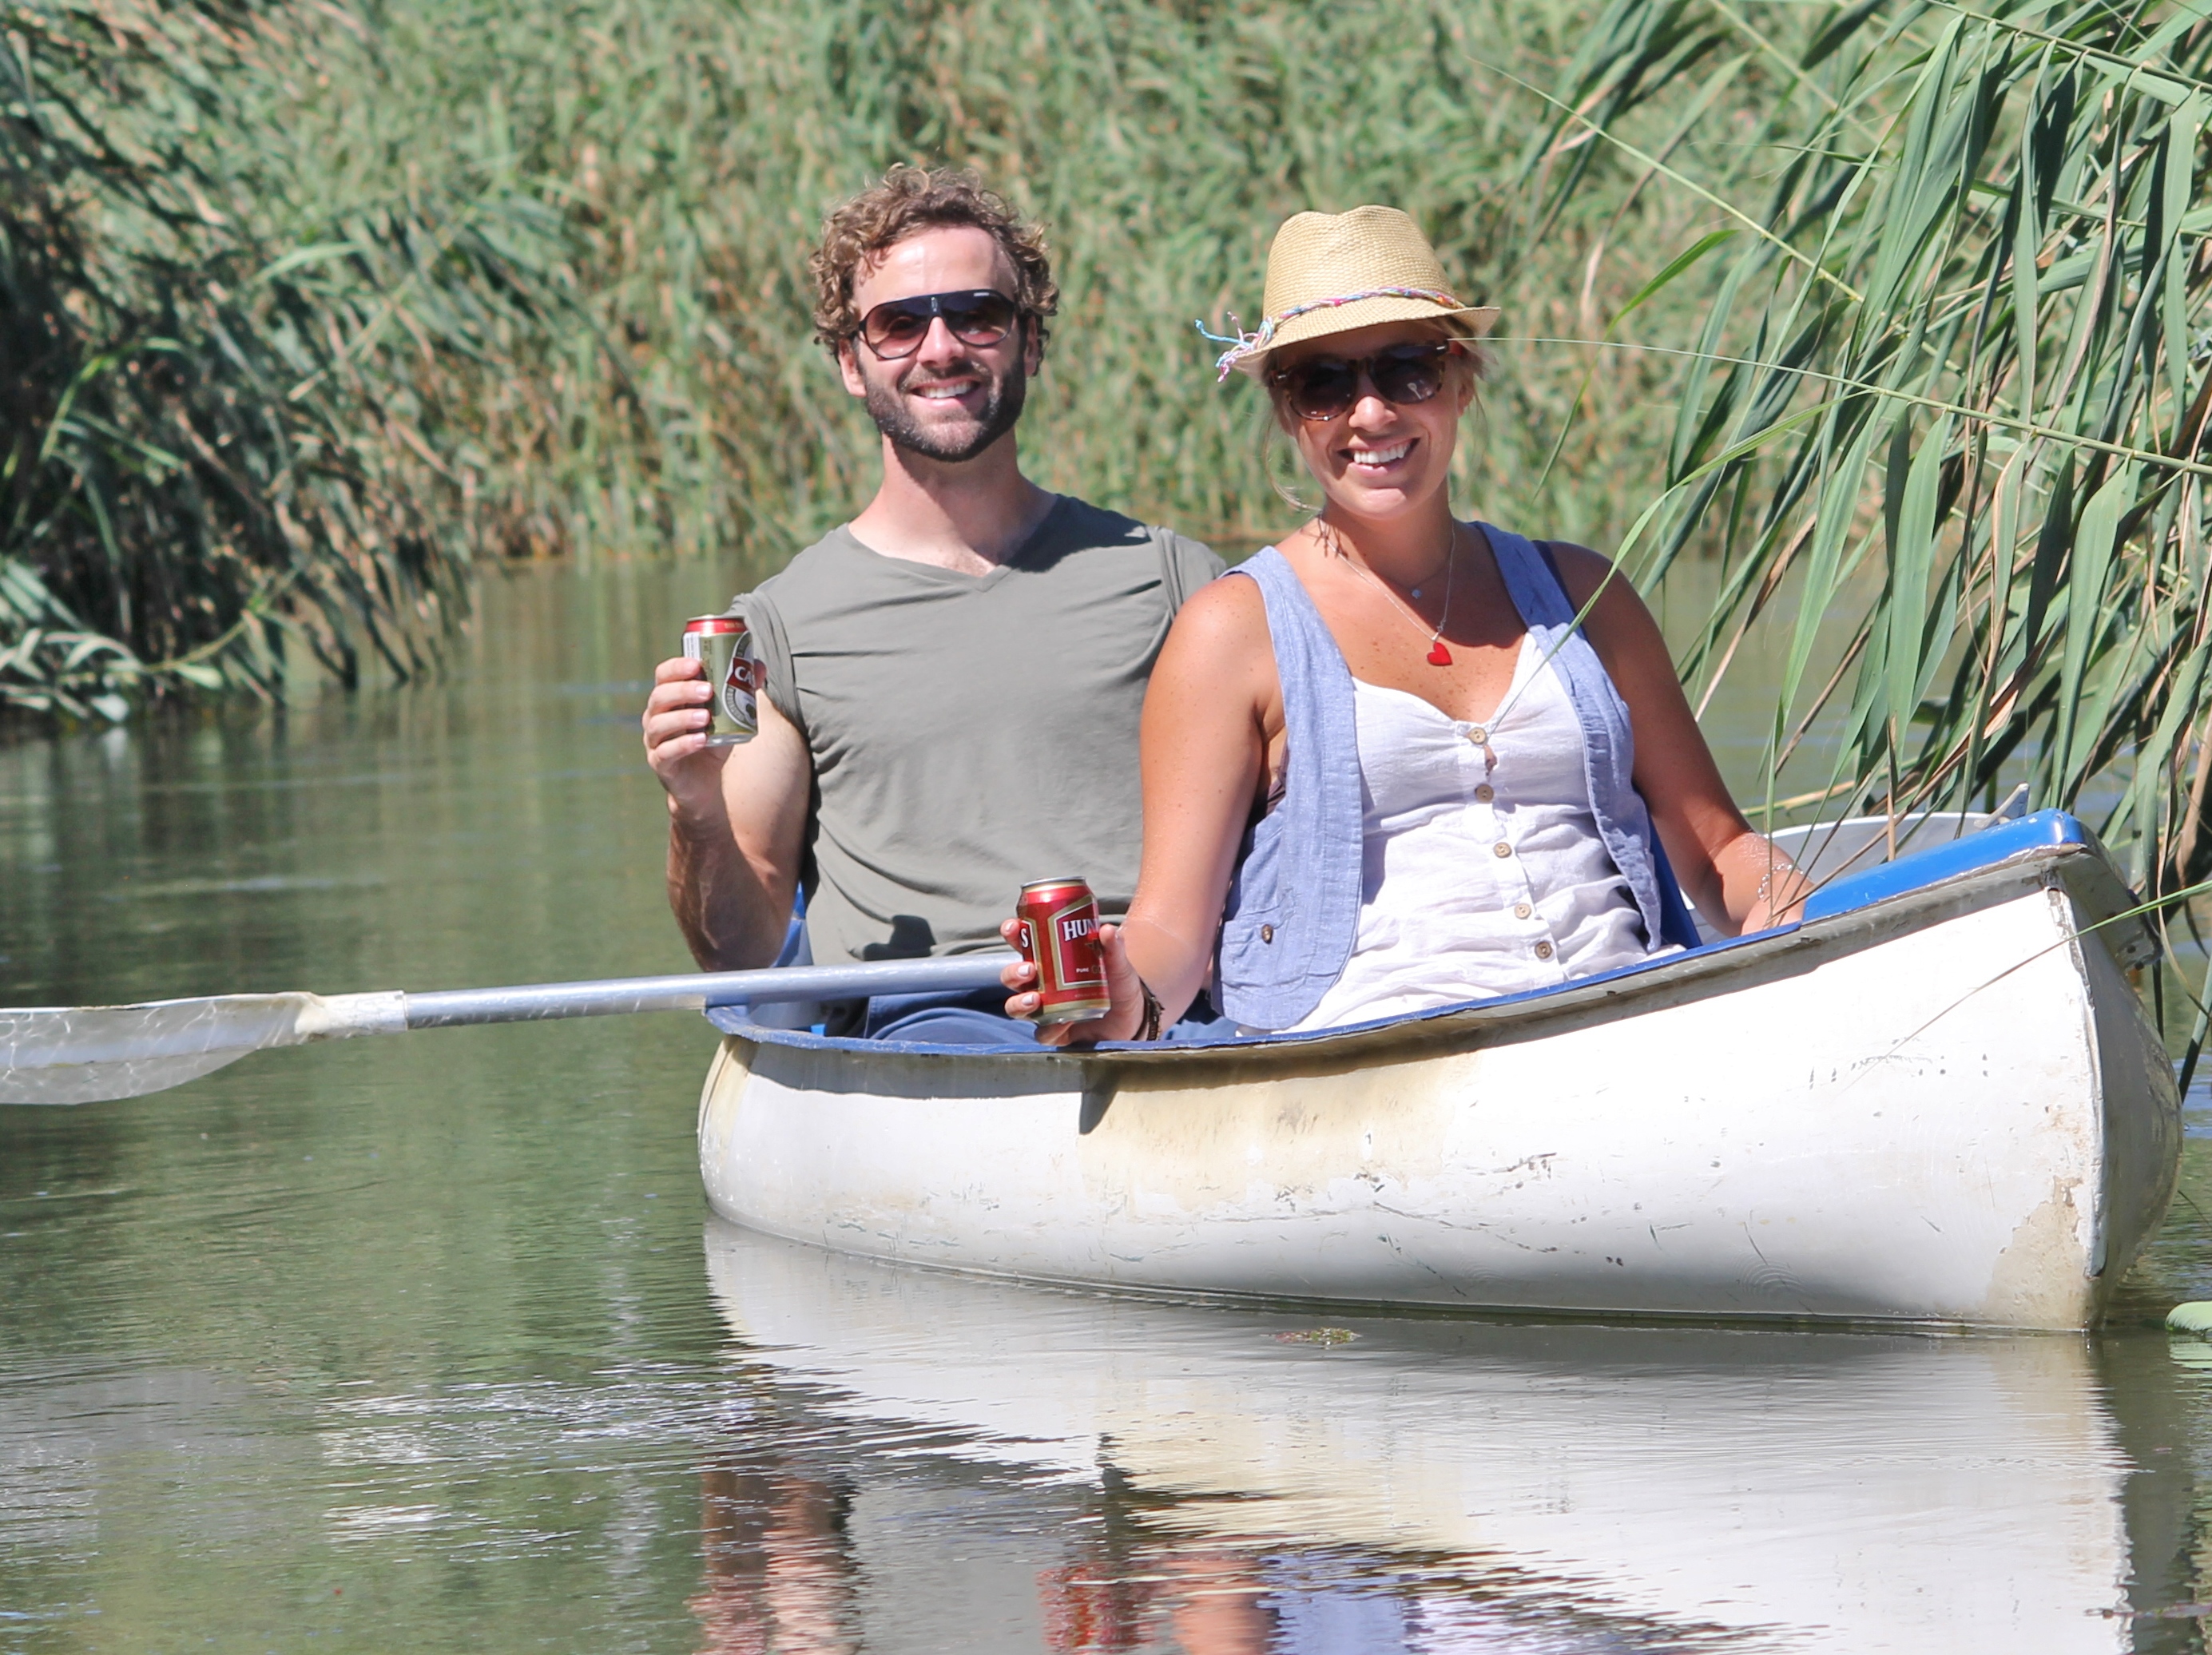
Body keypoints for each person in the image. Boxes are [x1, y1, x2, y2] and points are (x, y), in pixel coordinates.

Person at [1003, 206, 1803, 1042]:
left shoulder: (1584, 593)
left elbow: (1718, 852)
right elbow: (1173, 930)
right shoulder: (1232, 629)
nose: (1370, 413)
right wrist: (1125, 994)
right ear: (1287, 411)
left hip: (1623, 1023)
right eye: (1323, 384)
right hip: (1375, 1059)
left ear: (1462, 381)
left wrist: (1787, 906)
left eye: (1407, 370)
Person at [641, 166, 1221, 1046]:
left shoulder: (1175, 579)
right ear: (850, 362)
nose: (941, 347)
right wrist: (694, 806)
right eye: (899, 324)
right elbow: (741, 953)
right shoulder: (778, 633)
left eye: (977, 314)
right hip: (926, 1034)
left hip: (1165, 1017)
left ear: (1031, 343)